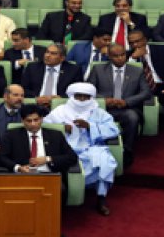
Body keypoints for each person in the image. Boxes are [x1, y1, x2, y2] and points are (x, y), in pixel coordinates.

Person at [44, 83, 119, 216]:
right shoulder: (60, 111)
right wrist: (62, 128)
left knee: (105, 160)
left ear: (91, 97)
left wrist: (90, 126)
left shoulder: (98, 112)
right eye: (79, 96)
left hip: (91, 147)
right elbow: (45, 126)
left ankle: (101, 198)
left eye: (86, 97)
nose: (82, 100)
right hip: (65, 148)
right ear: (72, 96)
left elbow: (113, 130)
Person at [88, 43, 151, 167]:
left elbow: (146, 92)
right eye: (116, 56)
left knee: (132, 117)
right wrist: (104, 100)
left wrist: (126, 102)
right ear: (109, 56)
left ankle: (127, 151)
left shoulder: (137, 71)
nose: (120, 58)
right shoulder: (98, 69)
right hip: (103, 108)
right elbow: (89, 90)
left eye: (122, 55)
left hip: (127, 109)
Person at [0, 105, 78, 202]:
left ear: (42, 119)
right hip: (22, 176)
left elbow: (72, 157)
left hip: (49, 176)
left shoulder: (55, 135)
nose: (33, 124)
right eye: (29, 121)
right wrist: (18, 168)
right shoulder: (11, 135)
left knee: (57, 190)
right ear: (22, 121)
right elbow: (2, 157)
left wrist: (48, 159)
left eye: (36, 120)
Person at [127, 30, 164, 150]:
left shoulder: (163, 50)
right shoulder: (127, 56)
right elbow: (126, 78)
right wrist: (132, 59)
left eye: (138, 41)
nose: (135, 45)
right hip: (141, 88)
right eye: (131, 43)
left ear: (145, 40)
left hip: (161, 85)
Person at [21, 43, 82, 107]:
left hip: (61, 106)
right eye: (47, 52)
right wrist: (36, 98)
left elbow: (77, 91)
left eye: (53, 53)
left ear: (62, 58)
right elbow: (24, 88)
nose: (47, 55)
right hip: (36, 104)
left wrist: (61, 98)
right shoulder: (32, 67)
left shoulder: (73, 70)